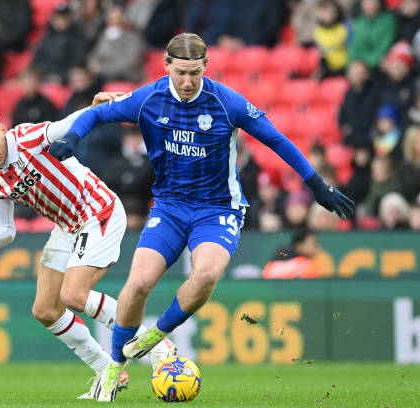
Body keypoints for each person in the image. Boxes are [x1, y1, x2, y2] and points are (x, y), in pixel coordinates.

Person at [49, 32, 355, 401]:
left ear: (206, 67)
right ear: (167, 66)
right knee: (139, 283)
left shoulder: (226, 102)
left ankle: (154, 336)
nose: (188, 81)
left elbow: (276, 139)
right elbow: (98, 112)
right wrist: (73, 137)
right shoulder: (150, 98)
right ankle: (114, 368)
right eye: (181, 72)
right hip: (169, 207)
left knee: (207, 272)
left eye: (195, 72)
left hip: (218, 209)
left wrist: (317, 185)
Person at [0, 93, 175, 400]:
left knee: (74, 295)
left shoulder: (27, 137)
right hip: (68, 225)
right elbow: (5, 230)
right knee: (46, 310)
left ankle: (155, 342)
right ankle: (107, 372)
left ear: (2, 129)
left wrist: (95, 109)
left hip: (97, 209)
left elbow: (66, 125)